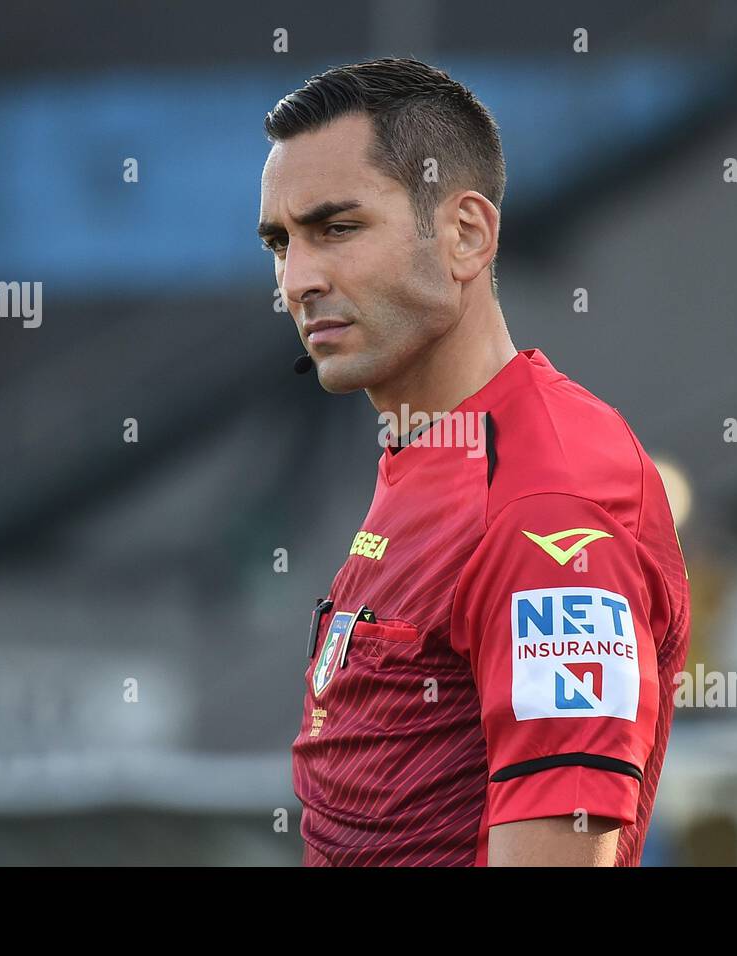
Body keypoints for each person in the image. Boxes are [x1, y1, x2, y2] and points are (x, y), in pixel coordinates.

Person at [258, 57, 691, 866]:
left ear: (465, 235)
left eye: (337, 229)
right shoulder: (433, 451)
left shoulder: (547, 500)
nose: (297, 280)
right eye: (281, 243)